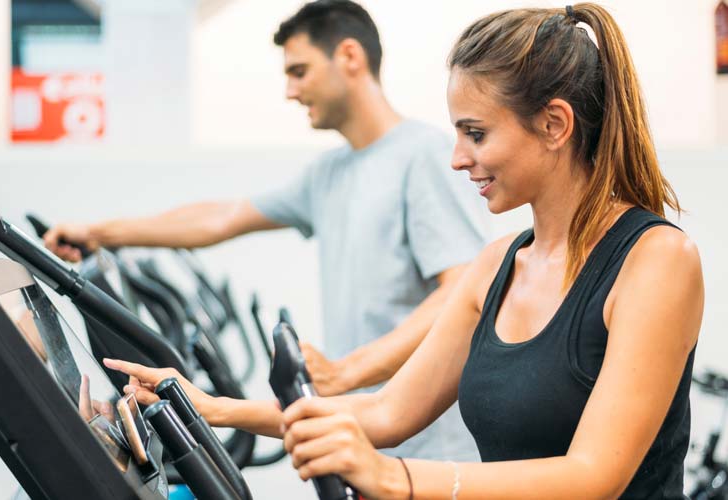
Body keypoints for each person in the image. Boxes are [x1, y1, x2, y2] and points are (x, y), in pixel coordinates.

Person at [103, 3, 705, 497]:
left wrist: (398, 480)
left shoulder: (655, 262)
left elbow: (592, 476)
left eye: (476, 134)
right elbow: (388, 412)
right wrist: (212, 407)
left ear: (554, 124)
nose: (457, 157)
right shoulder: (496, 265)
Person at [46, 0, 485, 462]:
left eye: (300, 71)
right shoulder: (330, 172)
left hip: (430, 447)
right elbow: (224, 217)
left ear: (350, 57)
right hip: (362, 435)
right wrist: (100, 232)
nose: (291, 91)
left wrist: (344, 372)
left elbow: (460, 294)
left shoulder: (425, 156)